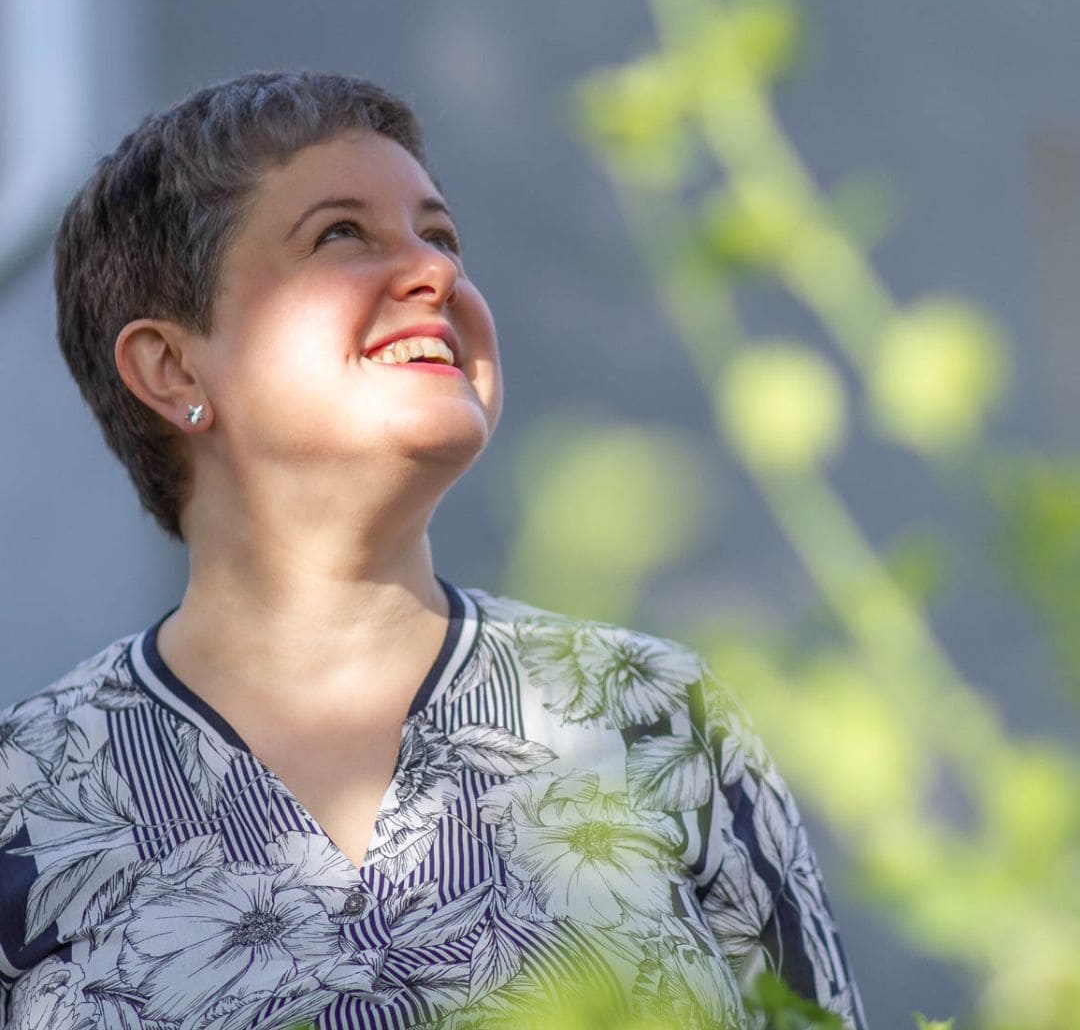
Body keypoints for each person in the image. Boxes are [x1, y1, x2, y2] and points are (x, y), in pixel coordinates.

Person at [0, 71, 865, 1029]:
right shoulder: (25, 792)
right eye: (341, 234)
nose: (436, 274)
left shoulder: (657, 720)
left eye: (441, 236)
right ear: (172, 367)